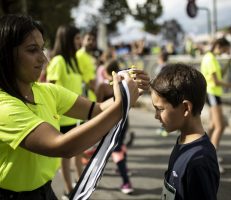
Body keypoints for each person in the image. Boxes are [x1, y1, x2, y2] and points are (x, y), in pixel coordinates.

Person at [0, 14, 149, 199]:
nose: (43, 59)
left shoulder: (47, 92)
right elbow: (61, 146)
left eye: (42, 49)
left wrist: (128, 92)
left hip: (45, 191)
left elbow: (98, 109)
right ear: (6, 54)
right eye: (32, 50)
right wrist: (120, 105)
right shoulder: (3, 106)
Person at [150, 63, 220, 200]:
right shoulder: (184, 140)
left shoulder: (200, 160)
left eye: (160, 109)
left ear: (186, 108)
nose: (156, 115)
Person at [46, 24, 83, 197]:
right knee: (66, 159)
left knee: (78, 155)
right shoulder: (58, 61)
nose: (80, 41)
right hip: (63, 121)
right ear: (68, 40)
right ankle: (69, 191)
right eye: (77, 38)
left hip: (76, 118)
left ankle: (81, 183)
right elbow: (49, 90)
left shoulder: (74, 61)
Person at [200, 37, 231, 173]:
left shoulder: (211, 57)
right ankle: (211, 158)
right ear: (220, 46)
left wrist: (228, 63)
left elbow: (219, 75)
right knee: (220, 126)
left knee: (212, 125)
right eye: (226, 49)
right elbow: (216, 81)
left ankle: (203, 151)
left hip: (212, 93)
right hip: (212, 93)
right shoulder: (210, 58)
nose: (226, 51)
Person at [95, 60, 134, 194]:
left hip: (110, 122)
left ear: (106, 72)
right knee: (119, 146)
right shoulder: (124, 84)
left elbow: (98, 106)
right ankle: (123, 170)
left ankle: (126, 182)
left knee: (114, 150)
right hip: (124, 119)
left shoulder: (102, 87)